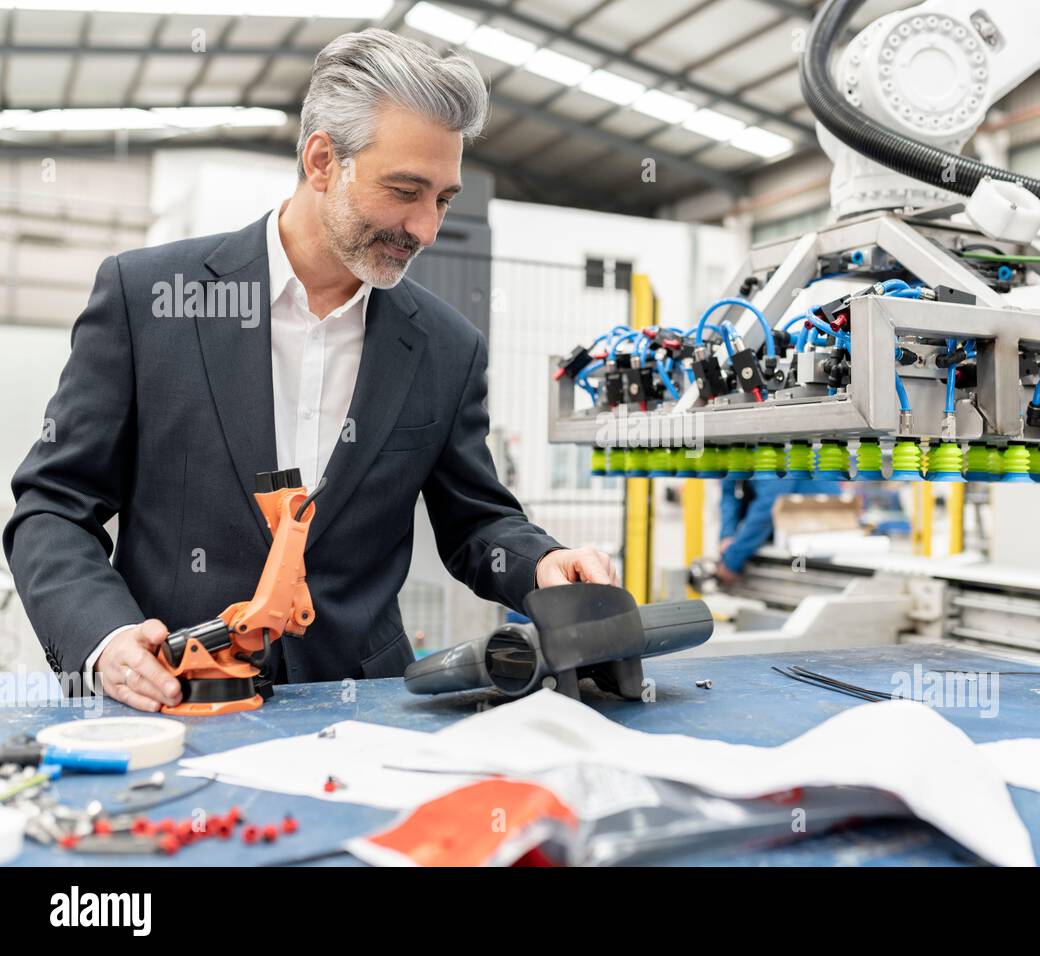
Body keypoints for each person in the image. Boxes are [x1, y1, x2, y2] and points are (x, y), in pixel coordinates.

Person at [3, 29, 616, 712]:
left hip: (370, 711)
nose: (426, 229)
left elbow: (474, 522)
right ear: (323, 160)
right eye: (405, 189)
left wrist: (539, 563)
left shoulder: (446, 347)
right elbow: (53, 510)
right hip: (178, 697)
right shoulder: (148, 298)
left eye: (442, 198)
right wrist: (106, 639)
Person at [716, 477, 845, 584]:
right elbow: (729, 493)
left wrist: (732, 560)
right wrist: (727, 535)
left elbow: (770, 504)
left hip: (816, 536)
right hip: (788, 534)